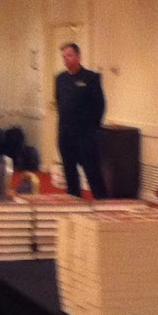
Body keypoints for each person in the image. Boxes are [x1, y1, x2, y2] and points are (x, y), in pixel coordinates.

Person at [54, 42, 107, 199]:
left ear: (78, 57)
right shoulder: (60, 79)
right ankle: (74, 202)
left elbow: (100, 105)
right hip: (65, 135)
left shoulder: (91, 78)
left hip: (85, 136)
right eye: (64, 56)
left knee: (93, 172)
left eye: (69, 55)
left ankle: (103, 203)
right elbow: (59, 102)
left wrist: (93, 128)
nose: (66, 59)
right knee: (70, 173)